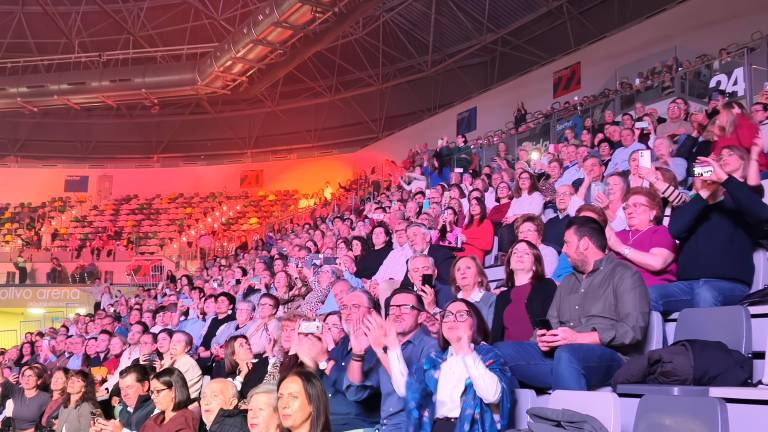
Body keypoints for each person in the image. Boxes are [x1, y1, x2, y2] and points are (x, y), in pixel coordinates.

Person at [495, 217, 649, 390]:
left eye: (567, 243)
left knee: (567, 354)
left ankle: (570, 416)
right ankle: (514, 411)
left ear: (584, 244)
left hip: (612, 356)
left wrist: (578, 338)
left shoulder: (624, 273)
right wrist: (542, 338)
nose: (564, 250)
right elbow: (551, 323)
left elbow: (633, 329)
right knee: (499, 351)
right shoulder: (568, 282)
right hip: (563, 356)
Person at [650, 156, 768, 313]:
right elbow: (675, 230)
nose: (706, 177)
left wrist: (725, 179)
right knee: (650, 294)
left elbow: (763, 214)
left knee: (705, 293)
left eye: (710, 172)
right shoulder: (691, 209)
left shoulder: (737, 206)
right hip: (687, 285)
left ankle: (700, 339)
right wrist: (704, 193)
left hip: (729, 285)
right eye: (700, 174)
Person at [405, 299, 515, 432]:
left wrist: (467, 350)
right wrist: (391, 348)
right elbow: (409, 391)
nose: (453, 320)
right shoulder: (434, 359)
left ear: (475, 323)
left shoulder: (488, 355)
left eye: (461, 315)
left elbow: (493, 395)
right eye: (448, 315)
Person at [346, 288, 439, 431]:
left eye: (406, 308)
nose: (397, 313)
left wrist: (382, 350)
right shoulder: (385, 347)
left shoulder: (431, 346)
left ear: (421, 317)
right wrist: (358, 353)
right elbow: (356, 392)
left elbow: (414, 394)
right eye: (393, 308)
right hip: (382, 427)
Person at [605, 187, 677, 289]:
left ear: (653, 212)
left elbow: (656, 263)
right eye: (627, 207)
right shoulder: (618, 235)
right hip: (615, 289)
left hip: (648, 291)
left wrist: (620, 247)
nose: (629, 211)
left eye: (636, 206)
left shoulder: (660, 232)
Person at [491, 240, 557, 343]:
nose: (519, 255)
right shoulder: (502, 297)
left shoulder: (546, 286)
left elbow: (551, 324)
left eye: (526, 253)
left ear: (535, 264)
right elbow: (496, 336)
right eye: (515, 252)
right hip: (507, 354)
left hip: (538, 350)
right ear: (509, 265)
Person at [91, 365, 156, 432]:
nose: (124, 394)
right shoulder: (124, 410)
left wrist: (122, 431)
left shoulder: (156, 410)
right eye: (121, 389)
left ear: (145, 386)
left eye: (129, 388)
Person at [140, 368, 198, 432]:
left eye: (158, 391)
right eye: (152, 392)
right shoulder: (155, 418)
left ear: (173, 392)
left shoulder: (185, 422)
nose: (152, 397)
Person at [450, 256, 495, 329]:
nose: (462, 272)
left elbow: (491, 333)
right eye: (458, 270)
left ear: (480, 277)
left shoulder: (491, 300)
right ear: (456, 281)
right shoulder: (452, 304)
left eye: (468, 268)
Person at [221, 335, 268, 401]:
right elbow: (229, 398)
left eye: (247, 343)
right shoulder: (232, 378)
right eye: (241, 346)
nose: (248, 346)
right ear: (233, 355)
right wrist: (243, 373)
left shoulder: (265, 360)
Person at [158, 331, 203, 400]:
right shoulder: (169, 361)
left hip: (181, 403)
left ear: (187, 348)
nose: (173, 344)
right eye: (172, 341)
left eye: (178, 341)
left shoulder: (188, 363)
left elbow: (169, 386)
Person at [8, 364, 52, 432]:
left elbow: (49, 422)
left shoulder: (46, 398)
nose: (27, 379)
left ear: (39, 380)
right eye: (24, 376)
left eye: (30, 376)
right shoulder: (17, 391)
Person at [456, 198, 493, 262]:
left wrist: (467, 240)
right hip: (460, 255)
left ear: (482, 207)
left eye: (476, 204)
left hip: (473, 257)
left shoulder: (486, 223)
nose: (473, 207)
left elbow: (488, 246)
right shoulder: (466, 225)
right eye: (471, 205)